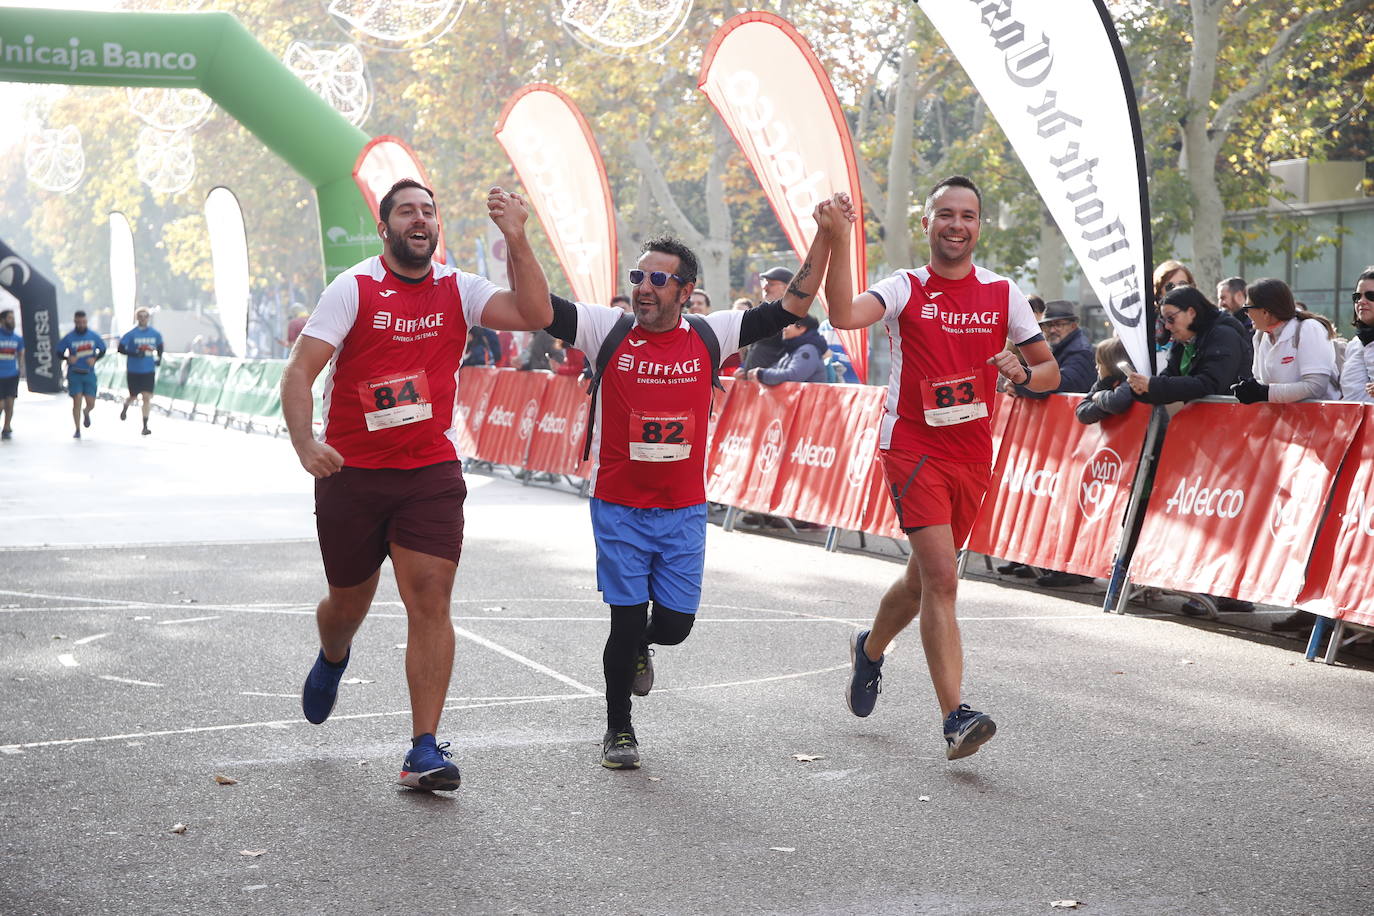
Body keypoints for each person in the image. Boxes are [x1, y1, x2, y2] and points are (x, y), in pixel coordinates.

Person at [543, 209, 845, 771]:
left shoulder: (712, 332)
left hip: (683, 509)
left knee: (675, 628)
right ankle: (618, 729)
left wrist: (826, 239)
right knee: (625, 619)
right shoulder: (602, 328)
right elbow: (540, 308)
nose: (644, 288)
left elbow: (793, 305)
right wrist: (516, 234)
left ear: (686, 290)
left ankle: (640, 648)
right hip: (619, 505)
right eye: (638, 277)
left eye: (659, 279)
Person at [280, 180, 552, 792]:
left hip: (428, 470)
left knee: (430, 597)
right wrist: (306, 444)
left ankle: (423, 747)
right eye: (407, 211)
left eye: (429, 211)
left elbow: (535, 314)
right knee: (347, 604)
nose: (420, 219)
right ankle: (333, 654)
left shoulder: (459, 289)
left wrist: (516, 236)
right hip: (351, 473)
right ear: (386, 228)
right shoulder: (353, 288)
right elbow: (300, 369)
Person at [822, 177, 1059, 761]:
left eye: (969, 216)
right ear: (925, 224)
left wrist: (1022, 374)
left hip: (973, 454)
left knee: (922, 579)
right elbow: (845, 313)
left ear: (980, 226)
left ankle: (870, 649)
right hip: (911, 448)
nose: (957, 225)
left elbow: (1050, 373)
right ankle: (956, 716)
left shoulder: (1004, 293)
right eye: (945, 215)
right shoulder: (904, 287)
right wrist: (836, 237)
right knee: (944, 580)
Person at [1127, 286, 1254, 616]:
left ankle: (1229, 589)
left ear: (1192, 312)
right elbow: (1170, 380)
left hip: (1233, 438)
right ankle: (1202, 583)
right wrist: (1142, 389)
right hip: (1202, 441)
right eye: (1164, 320)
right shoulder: (1185, 341)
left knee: (1225, 516)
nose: (1167, 327)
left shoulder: (1223, 332)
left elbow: (1210, 383)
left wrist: (1155, 387)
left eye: (1171, 319)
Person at [1000, 299, 1096, 586]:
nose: (1052, 330)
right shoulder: (1061, 350)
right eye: (1048, 325)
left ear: (1073, 325)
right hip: (1060, 442)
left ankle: (1070, 568)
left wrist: (1021, 384)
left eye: (1058, 324)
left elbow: (1056, 385)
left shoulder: (1078, 353)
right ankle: (1043, 561)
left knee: (1069, 503)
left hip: (1075, 441)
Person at [1231, 278, 1339, 405]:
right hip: (1285, 420)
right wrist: (1251, 389)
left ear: (1265, 312)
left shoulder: (1309, 328)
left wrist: (1265, 393)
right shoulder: (1260, 335)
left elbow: (1316, 387)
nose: (1246, 313)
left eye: (1247, 307)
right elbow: (1261, 381)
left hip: (1323, 419)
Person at [737, 267, 793, 377]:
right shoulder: (764, 313)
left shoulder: (793, 318)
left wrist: (766, 374)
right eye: (764, 283)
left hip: (774, 388)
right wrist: (744, 369)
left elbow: (794, 356)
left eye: (771, 284)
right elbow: (756, 349)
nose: (765, 287)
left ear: (786, 288)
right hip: (754, 386)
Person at [58, 310, 106, 439]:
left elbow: (103, 349)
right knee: (77, 401)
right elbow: (58, 351)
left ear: (86, 322)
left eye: (83, 322)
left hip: (89, 373)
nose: (81, 325)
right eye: (78, 322)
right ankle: (77, 429)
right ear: (75, 322)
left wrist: (95, 358)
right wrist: (67, 358)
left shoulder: (93, 336)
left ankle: (86, 412)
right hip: (74, 373)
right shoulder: (69, 337)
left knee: (91, 403)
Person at [117, 307, 164, 436]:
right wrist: (135, 353)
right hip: (133, 370)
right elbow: (120, 348)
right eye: (140, 316)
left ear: (148, 318)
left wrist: (159, 358)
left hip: (148, 369)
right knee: (133, 396)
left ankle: (145, 425)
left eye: (145, 316)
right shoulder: (131, 333)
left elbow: (160, 346)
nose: (143, 319)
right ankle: (126, 406)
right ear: (137, 318)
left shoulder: (155, 333)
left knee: (146, 397)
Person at [747, 313, 829, 385]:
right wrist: (752, 373)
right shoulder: (793, 350)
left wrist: (762, 374)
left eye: (788, 325)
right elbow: (777, 369)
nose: (784, 328)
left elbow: (794, 375)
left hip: (807, 402)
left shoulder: (808, 350)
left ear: (802, 328)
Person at [1075, 337, 1136, 425]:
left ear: (1110, 365)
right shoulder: (1103, 381)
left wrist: (1099, 396)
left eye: (1099, 363)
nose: (1096, 368)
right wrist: (1106, 406)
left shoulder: (1130, 378)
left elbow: (1117, 402)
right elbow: (1082, 412)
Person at [1340, 266, 1374, 403]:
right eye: (1357, 296)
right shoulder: (1355, 343)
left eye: (1371, 296)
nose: (1361, 301)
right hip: (1355, 422)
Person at [0, 308, 23, 440]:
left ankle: (7, 427)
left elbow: (21, 353)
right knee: (1, 404)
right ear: (2, 320)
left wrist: (20, 368)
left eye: (13, 318)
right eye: (9, 318)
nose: (12, 321)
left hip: (12, 375)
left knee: (10, 402)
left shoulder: (18, 339)